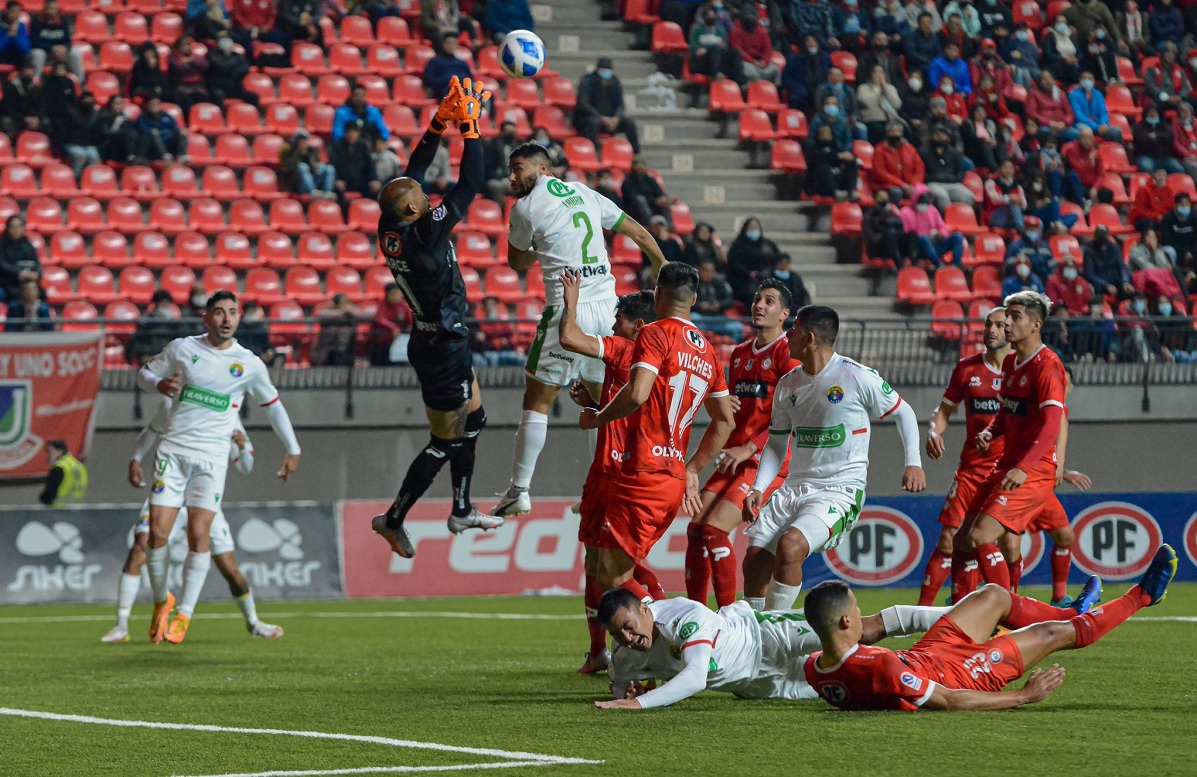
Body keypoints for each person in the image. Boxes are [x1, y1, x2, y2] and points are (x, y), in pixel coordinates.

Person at [493, 140, 666, 518]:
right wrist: (661, 264)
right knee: (604, 401)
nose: (511, 177)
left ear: (541, 168)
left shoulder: (525, 208)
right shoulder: (585, 192)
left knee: (538, 400)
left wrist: (533, 243)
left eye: (517, 168)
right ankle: (603, 487)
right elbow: (636, 232)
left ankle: (519, 490)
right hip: (609, 311)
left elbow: (517, 263)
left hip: (566, 308)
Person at [370, 78, 503, 556]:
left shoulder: (392, 223)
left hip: (439, 337)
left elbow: (412, 173)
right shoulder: (426, 234)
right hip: (441, 347)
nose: (426, 195)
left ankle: (463, 508)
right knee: (444, 440)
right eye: (420, 196)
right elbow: (470, 184)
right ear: (413, 207)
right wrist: (470, 128)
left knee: (476, 417)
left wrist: (438, 122)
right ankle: (394, 516)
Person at [802, 549, 1176, 711]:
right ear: (846, 621)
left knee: (994, 596)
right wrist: (1023, 697)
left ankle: (1071, 613)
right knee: (1051, 635)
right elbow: (950, 701)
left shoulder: (815, 667)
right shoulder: (878, 667)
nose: (859, 609)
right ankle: (1142, 595)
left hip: (928, 653)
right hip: (961, 674)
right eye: (855, 605)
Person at [136, 290, 301, 643]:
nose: (227, 318)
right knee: (157, 535)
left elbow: (272, 406)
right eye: (220, 312)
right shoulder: (183, 348)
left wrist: (292, 447)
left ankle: (185, 614)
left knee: (199, 535)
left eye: (233, 312)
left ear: (239, 318)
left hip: (211, 461)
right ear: (206, 317)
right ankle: (161, 599)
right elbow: (142, 374)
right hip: (173, 452)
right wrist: (158, 384)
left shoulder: (249, 364)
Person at [741, 305, 925, 612]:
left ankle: (772, 634)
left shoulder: (855, 376)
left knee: (791, 547)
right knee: (755, 561)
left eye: (794, 329)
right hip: (794, 487)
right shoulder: (788, 384)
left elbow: (903, 412)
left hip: (839, 490)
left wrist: (914, 462)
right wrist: (759, 487)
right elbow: (775, 444)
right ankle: (753, 637)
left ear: (810, 337)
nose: (787, 335)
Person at [576, 262, 736, 596]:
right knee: (609, 570)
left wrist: (598, 417)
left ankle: (681, 634)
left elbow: (637, 394)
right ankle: (657, 641)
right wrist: (692, 468)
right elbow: (725, 421)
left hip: (644, 472)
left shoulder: (655, 333)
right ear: (692, 301)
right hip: (673, 477)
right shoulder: (709, 351)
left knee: (612, 577)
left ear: (657, 293)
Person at [102, 405, 283, 643]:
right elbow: (153, 428)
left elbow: (245, 466)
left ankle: (253, 622)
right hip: (170, 494)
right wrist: (135, 458)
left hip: (203, 500)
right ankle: (121, 626)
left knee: (230, 570)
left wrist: (242, 445)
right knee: (140, 547)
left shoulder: (227, 409)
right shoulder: (177, 400)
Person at [557, 272, 664, 674]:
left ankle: (670, 631)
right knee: (597, 564)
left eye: (618, 318)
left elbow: (569, 337)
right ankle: (599, 650)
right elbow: (631, 405)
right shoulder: (653, 366)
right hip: (608, 470)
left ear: (637, 326)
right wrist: (597, 400)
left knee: (618, 569)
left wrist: (570, 300)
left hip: (629, 476)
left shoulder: (626, 351)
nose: (613, 324)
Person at [596, 587, 950, 708]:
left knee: (864, 631)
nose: (628, 639)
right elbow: (619, 685)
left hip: (767, 638)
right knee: (861, 679)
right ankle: (949, 670)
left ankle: (958, 614)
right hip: (760, 687)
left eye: (629, 627)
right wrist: (632, 689)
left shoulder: (682, 616)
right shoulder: (626, 655)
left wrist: (638, 703)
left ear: (645, 608)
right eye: (618, 635)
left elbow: (695, 678)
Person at [685, 280, 797, 610]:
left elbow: (792, 418)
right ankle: (696, 615)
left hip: (767, 461)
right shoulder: (740, 354)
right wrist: (725, 402)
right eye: (757, 299)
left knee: (715, 532)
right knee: (695, 530)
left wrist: (750, 448)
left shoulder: (788, 356)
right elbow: (732, 410)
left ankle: (728, 619)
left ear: (784, 315)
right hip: (734, 457)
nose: (759, 305)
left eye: (770, 301)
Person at [949, 291, 1067, 597]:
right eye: (1007, 317)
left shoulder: (1048, 365)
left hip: (1032, 469)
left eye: (1016, 317)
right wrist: (992, 430)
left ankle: (1005, 613)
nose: (1007, 324)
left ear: (1036, 325)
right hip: (1006, 464)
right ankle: (961, 615)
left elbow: (1053, 422)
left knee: (981, 537)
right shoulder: (1013, 362)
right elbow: (1008, 409)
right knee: (960, 540)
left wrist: (1025, 468)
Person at [919, 308, 1007, 605]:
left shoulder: (1023, 372)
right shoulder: (968, 369)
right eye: (987, 324)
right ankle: (920, 616)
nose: (990, 330)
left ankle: (1006, 611)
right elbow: (944, 411)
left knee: (1006, 544)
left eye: (998, 325)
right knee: (950, 539)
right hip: (972, 469)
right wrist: (934, 431)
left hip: (1009, 473)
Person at [997, 366, 1092, 603]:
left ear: (1070, 388)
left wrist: (1063, 470)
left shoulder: (1062, 410)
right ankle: (1006, 602)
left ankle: (1059, 597)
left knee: (1065, 537)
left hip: (1042, 488)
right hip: (1018, 483)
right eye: (1056, 383)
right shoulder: (1034, 408)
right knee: (1008, 544)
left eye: (1064, 384)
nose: (1060, 388)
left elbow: (1048, 449)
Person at [574, 57, 640, 154]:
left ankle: (636, 155)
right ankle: (590, 154)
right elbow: (584, 104)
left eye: (608, 69)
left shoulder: (615, 81)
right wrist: (601, 118)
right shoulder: (587, 81)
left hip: (611, 120)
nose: (606, 72)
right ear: (597, 69)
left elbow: (620, 104)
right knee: (594, 123)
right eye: (603, 69)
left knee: (630, 124)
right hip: (588, 119)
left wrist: (616, 118)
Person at [901, 186, 965, 268]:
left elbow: (942, 226)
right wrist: (925, 235)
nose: (924, 205)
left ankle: (955, 265)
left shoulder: (932, 210)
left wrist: (940, 234)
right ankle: (939, 266)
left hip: (935, 243)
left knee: (958, 236)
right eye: (921, 202)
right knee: (924, 238)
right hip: (920, 248)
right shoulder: (905, 212)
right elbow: (907, 235)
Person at [725, 217, 781, 306]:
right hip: (744, 281)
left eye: (756, 227)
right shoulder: (737, 246)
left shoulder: (768, 245)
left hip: (767, 278)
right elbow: (734, 264)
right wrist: (748, 273)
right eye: (751, 227)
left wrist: (766, 273)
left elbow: (776, 260)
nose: (754, 230)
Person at [922, 124, 974, 208]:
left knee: (968, 196)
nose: (940, 136)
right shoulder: (923, 152)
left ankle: (962, 219)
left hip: (952, 183)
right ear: (931, 136)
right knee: (942, 197)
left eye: (943, 134)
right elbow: (922, 172)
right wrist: (935, 178)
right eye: (937, 134)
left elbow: (961, 172)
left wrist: (954, 179)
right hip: (933, 183)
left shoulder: (954, 153)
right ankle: (945, 219)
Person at [805, 123, 859, 201]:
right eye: (823, 132)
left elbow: (845, 156)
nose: (825, 135)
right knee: (822, 165)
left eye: (828, 133)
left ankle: (851, 191)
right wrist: (837, 156)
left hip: (836, 179)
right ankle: (835, 192)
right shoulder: (812, 148)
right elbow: (818, 157)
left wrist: (851, 157)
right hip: (819, 184)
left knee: (852, 163)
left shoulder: (836, 149)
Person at [621, 155, 679, 229]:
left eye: (643, 164)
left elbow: (659, 192)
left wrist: (665, 199)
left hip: (652, 206)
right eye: (637, 164)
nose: (640, 167)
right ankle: (649, 224)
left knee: (664, 200)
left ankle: (668, 225)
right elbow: (632, 198)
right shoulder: (628, 181)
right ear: (633, 166)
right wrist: (655, 201)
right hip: (635, 210)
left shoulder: (650, 179)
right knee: (640, 200)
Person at [29, 0, 82, 79]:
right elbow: (34, 42)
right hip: (45, 53)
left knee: (75, 52)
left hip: (60, 53)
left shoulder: (63, 21)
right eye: (50, 9)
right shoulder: (37, 21)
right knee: (37, 54)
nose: (53, 12)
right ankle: (35, 81)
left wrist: (65, 48)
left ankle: (79, 82)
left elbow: (68, 41)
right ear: (45, 10)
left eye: (55, 9)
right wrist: (51, 48)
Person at [873, 121, 925, 203]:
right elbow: (880, 173)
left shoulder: (910, 149)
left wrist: (913, 185)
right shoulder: (879, 150)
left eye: (898, 131)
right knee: (896, 192)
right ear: (887, 134)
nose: (896, 134)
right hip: (887, 185)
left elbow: (919, 169)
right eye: (892, 131)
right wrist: (902, 185)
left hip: (910, 185)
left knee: (923, 191)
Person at [689, 6, 743, 83]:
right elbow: (694, 47)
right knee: (716, 50)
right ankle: (714, 76)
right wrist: (708, 48)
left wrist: (707, 48)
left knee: (735, 51)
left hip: (719, 60)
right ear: (704, 17)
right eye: (709, 15)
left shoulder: (721, 31)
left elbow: (724, 46)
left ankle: (741, 81)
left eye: (713, 15)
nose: (711, 17)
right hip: (702, 61)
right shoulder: (696, 30)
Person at [331, 119, 379, 198]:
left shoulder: (363, 146)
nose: (352, 135)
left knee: (374, 191)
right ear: (346, 133)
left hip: (360, 180)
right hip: (343, 181)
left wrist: (373, 179)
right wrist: (336, 179)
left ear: (358, 133)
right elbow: (332, 164)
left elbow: (370, 164)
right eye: (350, 132)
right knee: (337, 194)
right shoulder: (337, 146)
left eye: (354, 132)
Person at [1084, 225, 1134, 300]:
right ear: (1095, 237)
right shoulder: (1089, 251)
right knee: (1097, 288)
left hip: (1114, 279)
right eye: (1100, 235)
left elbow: (1121, 266)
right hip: (1100, 281)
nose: (1102, 238)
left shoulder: (1114, 248)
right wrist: (1106, 285)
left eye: (1104, 235)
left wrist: (1125, 281)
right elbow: (1090, 274)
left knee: (1128, 289)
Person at [206, 32, 257, 107]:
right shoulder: (212, 54)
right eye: (222, 39)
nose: (225, 41)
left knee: (253, 97)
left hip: (235, 87)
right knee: (217, 96)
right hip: (219, 88)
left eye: (227, 38)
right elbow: (220, 67)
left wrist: (231, 70)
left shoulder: (238, 55)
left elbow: (244, 68)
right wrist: (233, 67)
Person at [782, 36, 830, 112]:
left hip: (820, 88)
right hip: (800, 89)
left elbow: (829, 75)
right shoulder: (795, 59)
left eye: (813, 40)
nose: (811, 43)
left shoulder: (825, 58)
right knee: (796, 98)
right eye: (808, 40)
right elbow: (786, 78)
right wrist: (797, 88)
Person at [856, 65, 903, 144]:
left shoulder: (890, 88)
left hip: (890, 119)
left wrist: (885, 88)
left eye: (881, 72)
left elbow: (897, 104)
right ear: (871, 74)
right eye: (875, 72)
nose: (878, 74)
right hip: (873, 120)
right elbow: (865, 102)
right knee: (878, 130)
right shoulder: (863, 88)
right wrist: (877, 89)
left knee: (902, 128)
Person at [369, 283, 413, 366]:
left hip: (400, 342)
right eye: (393, 293)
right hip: (383, 342)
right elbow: (380, 319)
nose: (396, 296)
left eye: (398, 293)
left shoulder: (403, 306)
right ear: (387, 294)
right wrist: (393, 328)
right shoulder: (382, 306)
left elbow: (411, 320)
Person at [1069, 72, 1120, 141]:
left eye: (1090, 79)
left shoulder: (1098, 94)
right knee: (1086, 132)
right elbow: (1078, 115)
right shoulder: (1074, 95)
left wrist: (1103, 124)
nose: (1087, 81)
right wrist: (1096, 127)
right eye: (1084, 78)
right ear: (1080, 81)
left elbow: (1103, 112)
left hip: (1099, 123)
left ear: (1093, 81)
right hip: (1082, 124)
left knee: (1116, 131)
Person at [134, 96, 186, 164]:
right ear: (147, 106)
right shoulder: (142, 118)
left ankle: (182, 157)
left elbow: (174, 129)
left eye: (157, 104)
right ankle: (164, 156)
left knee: (182, 133)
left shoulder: (167, 116)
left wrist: (180, 132)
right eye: (152, 104)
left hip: (168, 142)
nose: (155, 107)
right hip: (153, 148)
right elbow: (142, 131)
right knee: (153, 133)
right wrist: (151, 131)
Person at [730, 12, 778, 84]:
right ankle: (754, 91)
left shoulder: (762, 32)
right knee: (753, 73)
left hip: (760, 60)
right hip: (745, 61)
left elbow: (768, 49)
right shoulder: (735, 32)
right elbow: (738, 50)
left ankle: (776, 91)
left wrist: (765, 61)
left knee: (776, 70)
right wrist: (753, 61)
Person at [167, 36, 210, 115]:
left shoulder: (194, 56)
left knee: (203, 99)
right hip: (182, 86)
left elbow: (204, 65)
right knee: (186, 101)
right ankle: (189, 120)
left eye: (187, 45)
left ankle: (203, 119)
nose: (186, 47)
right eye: (183, 45)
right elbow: (178, 68)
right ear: (178, 47)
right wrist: (192, 64)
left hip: (197, 86)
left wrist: (190, 61)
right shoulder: (173, 57)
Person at [0, 214, 39, 300]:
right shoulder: (2, 244)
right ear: (8, 228)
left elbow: (37, 263)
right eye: (13, 227)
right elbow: (2, 264)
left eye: (19, 227)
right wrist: (18, 272)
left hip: (26, 282)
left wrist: (36, 273)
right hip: (7, 282)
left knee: (41, 293)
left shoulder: (28, 245)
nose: (16, 230)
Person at [39, 440, 87, 507]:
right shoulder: (78, 466)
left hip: (59, 509)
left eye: (50, 452)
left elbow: (51, 492)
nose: (47, 456)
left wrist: (43, 498)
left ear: (59, 451)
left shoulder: (60, 467)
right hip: (77, 509)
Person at [483, 120, 519, 203]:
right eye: (508, 131)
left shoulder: (517, 146)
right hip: (496, 178)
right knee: (495, 186)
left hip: (512, 179)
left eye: (512, 132)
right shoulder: (492, 145)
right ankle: (500, 213)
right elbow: (487, 167)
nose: (511, 134)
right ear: (502, 132)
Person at [984, 159, 1026, 230]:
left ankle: (1021, 228)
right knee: (1012, 204)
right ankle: (1021, 230)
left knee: (1036, 222)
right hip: (995, 216)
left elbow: (1024, 204)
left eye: (1010, 168)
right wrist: (1009, 198)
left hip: (1013, 217)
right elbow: (994, 199)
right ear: (1000, 169)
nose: (1008, 170)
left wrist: (1020, 202)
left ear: (1013, 170)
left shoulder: (1017, 186)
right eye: (1005, 167)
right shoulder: (991, 182)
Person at [904, 12, 941, 76]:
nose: (926, 25)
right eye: (924, 23)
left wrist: (936, 62)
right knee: (928, 70)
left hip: (932, 63)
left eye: (929, 22)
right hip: (917, 65)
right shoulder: (912, 36)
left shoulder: (934, 37)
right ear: (918, 24)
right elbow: (912, 54)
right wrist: (928, 61)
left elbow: (938, 52)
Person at [0, 1, 30, 68]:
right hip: (2, 55)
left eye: (18, 12)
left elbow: (25, 49)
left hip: (15, 57)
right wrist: (8, 35)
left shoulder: (21, 25)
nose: (16, 15)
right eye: (13, 11)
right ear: (6, 11)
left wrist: (15, 36)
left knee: (25, 59)